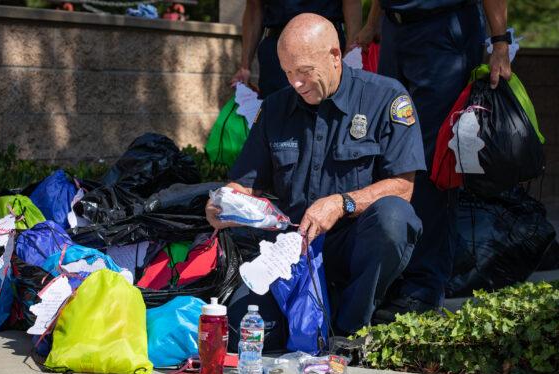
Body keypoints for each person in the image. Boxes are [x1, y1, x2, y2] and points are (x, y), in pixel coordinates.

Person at [207, 13, 426, 334]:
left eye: (305, 72)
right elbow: (245, 183)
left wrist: (341, 203)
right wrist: (224, 203)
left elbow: (402, 187)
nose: (296, 83)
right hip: (292, 249)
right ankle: (313, 314)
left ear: (335, 56)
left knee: (394, 217)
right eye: (288, 72)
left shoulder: (386, 97)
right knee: (245, 329)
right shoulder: (276, 108)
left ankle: (351, 329)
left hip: (353, 244)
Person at [351, 0, 512, 322]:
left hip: (443, 30)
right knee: (389, 151)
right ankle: (395, 276)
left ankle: (423, 289)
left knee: (427, 161)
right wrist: (372, 23)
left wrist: (500, 42)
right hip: (395, 30)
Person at [230, 0, 362, 98]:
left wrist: (351, 51)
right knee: (277, 117)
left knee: (326, 113)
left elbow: (351, 2)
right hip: (276, 50)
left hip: (323, 43)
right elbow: (253, 6)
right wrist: (245, 66)